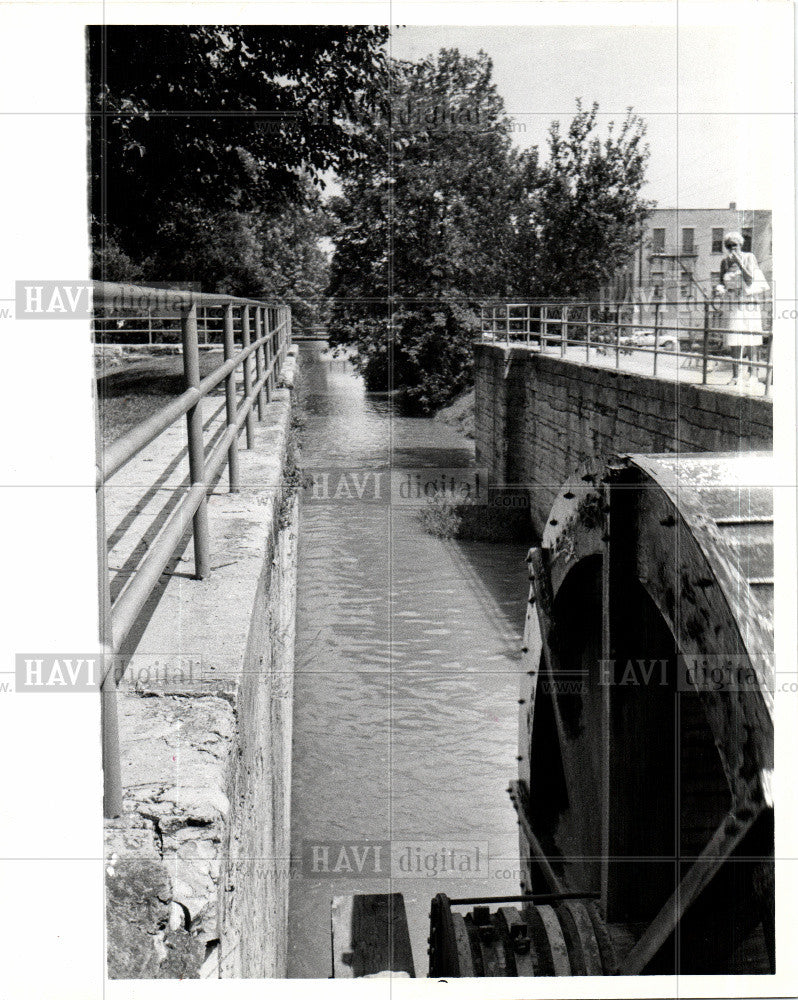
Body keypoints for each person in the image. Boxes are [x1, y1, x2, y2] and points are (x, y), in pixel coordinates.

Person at [714, 231, 769, 384]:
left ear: (740, 245)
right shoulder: (724, 262)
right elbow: (721, 281)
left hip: (749, 301)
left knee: (751, 337)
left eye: (735, 245)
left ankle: (753, 374)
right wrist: (719, 289)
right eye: (729, 246)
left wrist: (739, 263)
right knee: (734, 337)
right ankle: (736, 375)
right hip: (733, 302)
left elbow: (750, 279)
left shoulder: (749, 257)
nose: (732, 248)